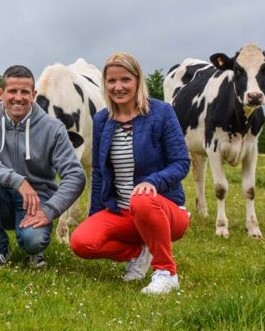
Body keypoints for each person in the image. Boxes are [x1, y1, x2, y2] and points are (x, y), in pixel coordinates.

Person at [69, 52, 190, 294]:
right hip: (121, 212)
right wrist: (95, 215)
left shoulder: (161, 112)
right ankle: (139, 251)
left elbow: (181, 162)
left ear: (137, 80)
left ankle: (166, 273)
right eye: (111, 81)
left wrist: (153, 182)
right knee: (81, 243)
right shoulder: (102, 120)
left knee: (142, 199)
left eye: (125, 79)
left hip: (164, 211)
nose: (118, 87)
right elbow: (100, 173)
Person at [0, 65, 86, 269]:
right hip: (0, 195)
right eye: (12, 91)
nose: (18, 98)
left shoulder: (53, 128)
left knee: (33, 241)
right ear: (1, 93)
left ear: (34, 94)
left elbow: (75, 175)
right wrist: (18, 181)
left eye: (24, 92)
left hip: (37, 200)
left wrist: (50, 210)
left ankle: (34, 250)